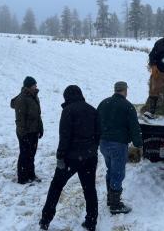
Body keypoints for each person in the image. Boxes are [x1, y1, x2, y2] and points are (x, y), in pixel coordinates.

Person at [39, 85, 99, 231]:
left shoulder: (68, 111)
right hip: (90, 157)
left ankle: (45, 220)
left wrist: (60, 156)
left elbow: (64, 137)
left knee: (56, 187)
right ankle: (91, 222)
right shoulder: (92, 109)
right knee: (90, 189)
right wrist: (92, 149)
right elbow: (99, 134)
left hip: (70, 158)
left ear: (67, 97)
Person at [98, 81, 142, 215]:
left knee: (110, 170)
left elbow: (96, 121)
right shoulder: (127, 106)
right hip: (118, 145)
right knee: (118, 173)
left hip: (103, 143)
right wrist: (138, 142)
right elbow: (134, 127)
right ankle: (115, 205)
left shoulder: (103, 103)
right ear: (125, 90)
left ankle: (110, 199)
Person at [10, 76, 44, 184]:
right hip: (25, 133)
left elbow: (38, 115)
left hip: (34, 131)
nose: (36, 86)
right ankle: (22, 178)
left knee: (31, 154)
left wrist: (40, 128)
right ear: (28, 87)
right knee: (24, 155)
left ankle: (31, 175)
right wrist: (22, 134)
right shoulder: (22, 99)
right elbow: (20, 119)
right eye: (34, 85)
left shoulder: (34, 97)